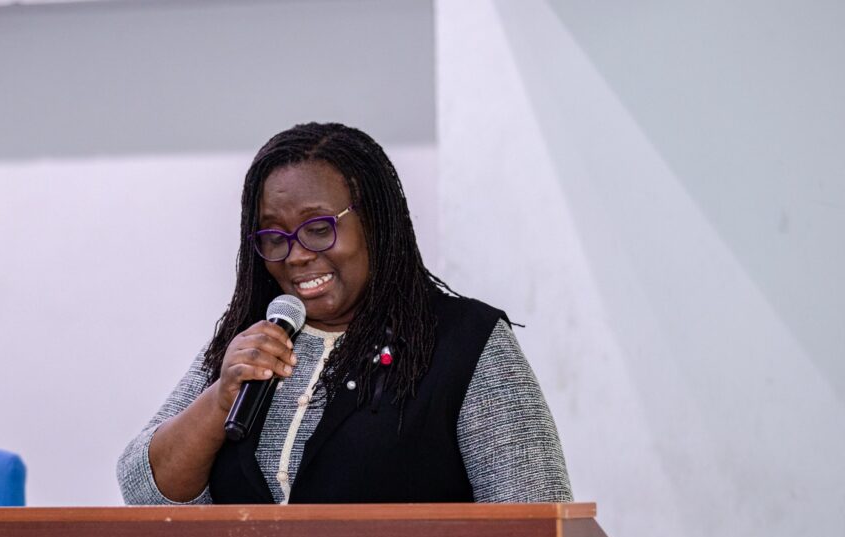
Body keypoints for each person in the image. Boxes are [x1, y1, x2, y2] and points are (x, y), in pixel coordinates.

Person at [117, 122, 571, 505]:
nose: (296, 255)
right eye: (274, 237)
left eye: (318, 228)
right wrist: (220, 398)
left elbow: (536, 515)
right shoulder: (251, 343)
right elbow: (144, 495)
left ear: (375, 220)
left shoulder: (464, 342)